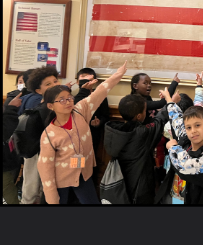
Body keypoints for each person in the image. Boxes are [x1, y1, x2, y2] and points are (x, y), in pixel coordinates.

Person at [38, 61, 128, 204]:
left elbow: (100, 92)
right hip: (60, 179)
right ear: (50, 106)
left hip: (83, 174)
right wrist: (51, 196)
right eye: (61, 100)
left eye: (69, 98)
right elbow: (45, 167)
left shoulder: (80, 110)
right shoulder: (49, 134)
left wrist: (118, 74)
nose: (68, 102)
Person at [105, 92, 173, 204]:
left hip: (118, 185)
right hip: (140, 188)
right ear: (139, 116)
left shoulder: (114, 131)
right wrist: (169, 101)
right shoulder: (141, 133)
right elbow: (159, 121)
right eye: (145, 110)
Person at [157, 97, 203, 204]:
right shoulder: (186, 140)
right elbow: (176, 119)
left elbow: (185, 166)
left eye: (197, 125)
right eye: (188, 127)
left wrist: (173, 148)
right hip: (177, 197)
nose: (193, 131)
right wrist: (169, 99)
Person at [18, 65, 62, 204]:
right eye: (48, 84)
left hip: (56, 154)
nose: (54, 85)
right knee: (31, 190)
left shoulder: (62, 105)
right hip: (36, 153)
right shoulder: (39, 109)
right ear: (38, 90)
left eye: (55, 81)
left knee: (48, 191)